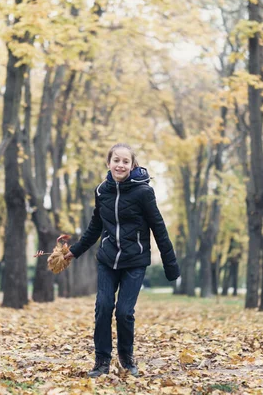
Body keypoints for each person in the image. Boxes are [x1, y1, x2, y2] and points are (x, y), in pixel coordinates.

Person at [64, 143, 180, 378]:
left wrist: (170, 264)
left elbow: (158, 227)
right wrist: (74, 251)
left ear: (132, 165)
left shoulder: (143, 192)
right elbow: (95, 226)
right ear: (109, 163)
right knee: (103, 307)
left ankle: (126, 359)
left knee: (124, 312)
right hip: (107, 259)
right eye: (116, 160)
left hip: (134, 261)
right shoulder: (101, 191)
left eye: (126, 161)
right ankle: (101, 362)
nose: (120, 164)